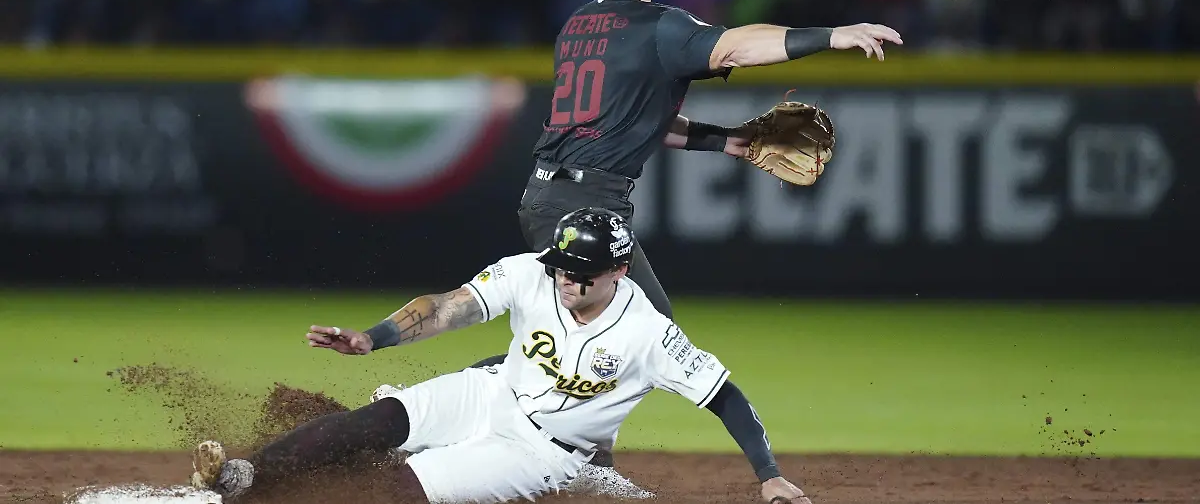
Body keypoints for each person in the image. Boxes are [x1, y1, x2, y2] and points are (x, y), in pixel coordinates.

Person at [464, 0, 903, 466]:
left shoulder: (579, 24)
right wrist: (832, 35)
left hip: (555, 194)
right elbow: (737, 46)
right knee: (644, 332)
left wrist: (727, 140)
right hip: (583, 201)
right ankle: (472, 416)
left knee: (601, 337)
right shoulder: (660, 26)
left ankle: (544, 447)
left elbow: (634, 119)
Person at [188, 207, 813, 504]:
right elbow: (447, 306)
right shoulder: (532, 272)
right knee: (376, 422)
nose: (565, 280)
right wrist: (374, 338)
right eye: (561, 266)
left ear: (620, 271)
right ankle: (244, 477)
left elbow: (725, 397)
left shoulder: (648, 334)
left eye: (581, 272)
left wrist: (768, 475)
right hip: (493, 391)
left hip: (544, 452)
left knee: (399, 490)